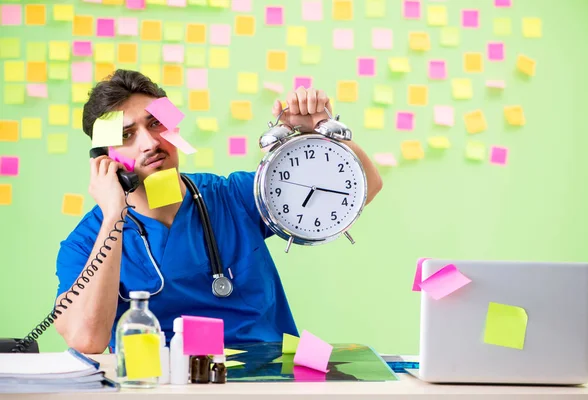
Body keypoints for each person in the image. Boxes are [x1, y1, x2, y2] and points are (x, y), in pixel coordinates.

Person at [54, 70, 383, 354]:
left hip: (267, 383)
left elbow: (365, 185)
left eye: (156, 124)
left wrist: (319, 128)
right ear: (103, 158)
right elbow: (87, 340)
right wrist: (113, 215)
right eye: (126, 135)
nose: (149, 143)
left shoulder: (235, 196)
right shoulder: (85, 243)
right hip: (162, 385)